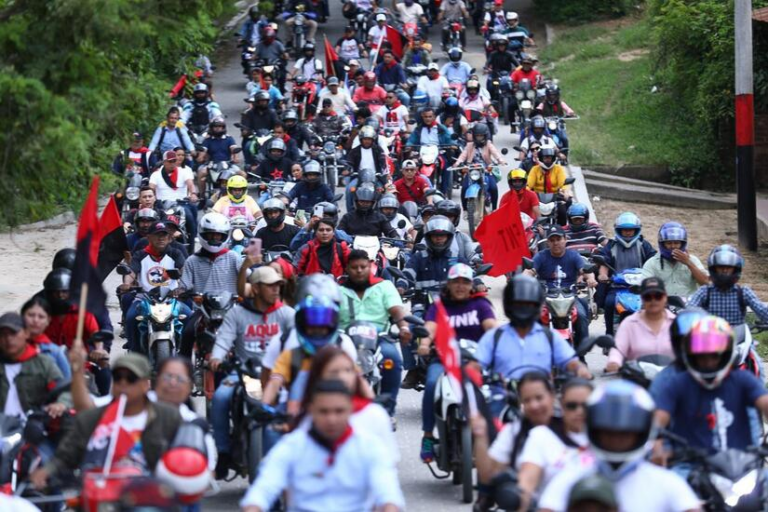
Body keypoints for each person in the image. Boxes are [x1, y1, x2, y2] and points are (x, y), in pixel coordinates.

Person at [240, 380, 405, 512]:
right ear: (311, 410)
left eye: (338, 411)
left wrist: (389, 506)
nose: (331, 419)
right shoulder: (292, 446)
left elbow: (388, 493)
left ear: (350, 410)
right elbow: (263, 489)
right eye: (324, 411)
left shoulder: (369, 447)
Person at [538, 381, 699, 512]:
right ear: (592, 428)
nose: (616, 440)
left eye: (626, 432)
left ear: (644, 431)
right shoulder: (569, 479)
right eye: (607, 431)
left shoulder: (669, 484)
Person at [31, 354, 183, 491]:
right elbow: (65, 456)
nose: (123, 383)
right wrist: (45, 472)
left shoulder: (168, 417)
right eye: (117, 377)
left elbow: (183, 457)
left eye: (131, 378)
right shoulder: (92, 418)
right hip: (100, 494)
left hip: (151, 497)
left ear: (145, 384)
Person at [209, 266, 295, 477]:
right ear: (255, 289)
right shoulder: (237, 313)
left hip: (277, 375)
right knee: (220, 398)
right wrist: (216, 357)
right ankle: (223, 453)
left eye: (278, 286)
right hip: (241, 373)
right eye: (270, 286)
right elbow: (224, 339)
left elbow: (297, 341)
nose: (276, 290)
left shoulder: (286, 313)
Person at [419, 264, 496, 461]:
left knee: (495, 390)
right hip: (444, 360)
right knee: (431, 385)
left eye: (465, 282)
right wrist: (425, 343)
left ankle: (496, 434)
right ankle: (428, 436)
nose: (460, 286)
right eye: (456, 282)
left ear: (472, 285)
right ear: (449, 284)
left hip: (475, 361)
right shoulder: (439, 306)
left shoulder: (481, 305)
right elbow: (430, 328)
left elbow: (491, 328)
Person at [476, 274, 591, 386]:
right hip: (503, 398)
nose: (523, 309)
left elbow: (570, 361)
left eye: (529, 304)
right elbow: (476, 365)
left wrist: (580, 369)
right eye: (518, 304)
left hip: (540, 398)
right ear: (508, 305)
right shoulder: (494, 337)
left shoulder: (549, 337)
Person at [337, 250, 410, 417]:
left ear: (371, 266)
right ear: (347, 269)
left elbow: (397, 311)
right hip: (345, 339)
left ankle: (387, 411)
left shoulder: (384, 286)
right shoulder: (338, 291)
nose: (359, 270)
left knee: (392, 359)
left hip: (378, 337)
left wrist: (404, 328)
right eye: (354, 267)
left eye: (363, 266)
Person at [295, 346, 397, 460]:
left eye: (348, 370)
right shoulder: (309, 415)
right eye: (334, 372)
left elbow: (386, 462)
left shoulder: (374, 414)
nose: (343, 377)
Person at [516, 379, 593, 511]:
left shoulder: (611, 438)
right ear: (561, 405)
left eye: (586, 406)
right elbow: (527, 480)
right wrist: (520, 499)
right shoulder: (541, 436)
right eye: (571, 406)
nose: (579, 411)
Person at [120, 221, 190, 353]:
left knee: (188, 315)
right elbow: (132, 272)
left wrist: (182, 288)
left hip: (170, 299)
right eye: (157, 235)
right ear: (149, 238)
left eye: (164, 235)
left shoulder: (175, 253)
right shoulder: (140, 255)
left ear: (169, 238)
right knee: (130, 317)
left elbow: (184, 271)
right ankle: (134, 351)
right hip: (144, 299)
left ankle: (185, 351)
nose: (161, 238)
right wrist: (127, 284)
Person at [527, 227, 595, 349]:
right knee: (533, 317)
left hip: (570, 297)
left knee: (581, 316)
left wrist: (590, 278)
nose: (556, 243)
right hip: (546, 297)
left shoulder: (574, 256)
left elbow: (584, 270)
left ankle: (581, 353)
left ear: (565, 240)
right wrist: (521, 281)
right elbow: (529, 271)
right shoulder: (541, 256)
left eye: (558, 239)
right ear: (548, 242)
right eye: (552, 240)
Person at [0, 311, 70, 421]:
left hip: (32, 427)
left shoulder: (43, 363)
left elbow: (64, 390)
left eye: (13, 333)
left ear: (26, 333)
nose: (8, 339)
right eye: (3, 334)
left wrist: (61, 404)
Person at [596, 212, 657, 335]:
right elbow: (604, 262)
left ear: (637, 230)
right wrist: (602, 274)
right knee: (609, 303)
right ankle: (609, 334)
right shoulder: (611, 245)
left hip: (641, 287)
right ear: (619, 230)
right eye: (625, 230)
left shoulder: (643, 244)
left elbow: (653, 260)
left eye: (631, 230)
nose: (628, 232)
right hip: (617, 287)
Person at [605, 277, 675, 372]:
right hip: (637, 379)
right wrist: (614, 362)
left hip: (672, 379)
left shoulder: (677, 323)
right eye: (648, 297)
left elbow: (690, 348)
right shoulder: (629, 323)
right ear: (641, 298)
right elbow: (618, 348)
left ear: (665, 297)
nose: (653, 300)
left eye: (658, 296)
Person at [642, 222, 708, 298]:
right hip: (663, 306)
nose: (673, 246)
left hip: (689, 306)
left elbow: (706, 283)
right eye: (669, 243)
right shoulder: (652, 263)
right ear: (663, 244)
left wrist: (689, 263)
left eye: (676, 243)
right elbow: (644, 287)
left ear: (682, 244)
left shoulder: (693, 260)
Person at [148, 150, 199, 241]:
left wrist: (193, 194)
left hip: (181, 203)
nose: (172, 163)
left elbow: (190, 184)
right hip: (163, 205)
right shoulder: (156, 175)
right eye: (170, 161)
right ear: (164, 162)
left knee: (189, 215)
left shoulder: (184, 172)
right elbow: (151, 188)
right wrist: (152, 198)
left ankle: (192, 239)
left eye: (174, 161)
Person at [454, 123, 504, 209]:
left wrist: (500, 160)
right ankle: (465, 210)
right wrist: (458, 163)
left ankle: (495, 209)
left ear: (485, 136)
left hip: (486, 170)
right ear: (474, 136)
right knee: (464, 188)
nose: (479, 138)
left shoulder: (488, 144)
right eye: (477, 136)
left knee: (493, 188)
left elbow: (495, 152)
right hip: (472, 171)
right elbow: (463, 155)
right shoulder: (469, 145)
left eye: (481, 136)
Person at [22, 297, 70, 380]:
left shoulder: (55, 352)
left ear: (48, 320)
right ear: (22, 316)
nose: (35, 320)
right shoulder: (11, 346)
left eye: (41, 317)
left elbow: (66, 384)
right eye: (31, 315)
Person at [526, 145, 570, 224]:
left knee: (563, 211)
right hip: (536, 197)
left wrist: (565, 191)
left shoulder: (558, 169)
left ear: (553, 158)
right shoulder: (535, 169)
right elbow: (529, 184)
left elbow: (563, 183)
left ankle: (563, 230)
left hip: (555, 197)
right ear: (541, 158)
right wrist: (525, 192)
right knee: (527, 213)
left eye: (549, 158)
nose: (547, 160)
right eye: (545, 158)